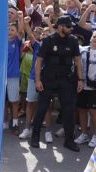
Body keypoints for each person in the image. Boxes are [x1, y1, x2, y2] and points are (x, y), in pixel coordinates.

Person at [25, 15, 81, 151]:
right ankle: (35, 137)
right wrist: (38, 80)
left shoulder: (73, 41)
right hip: (49, 78)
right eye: (68, 26)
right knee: (42, 108)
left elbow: (78, 61)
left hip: (66, 79)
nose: (71, 28)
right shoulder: (48, 41)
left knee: (68, 110)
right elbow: (39, 62)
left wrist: (80, 79)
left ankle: (69, 140)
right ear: (60, 26)